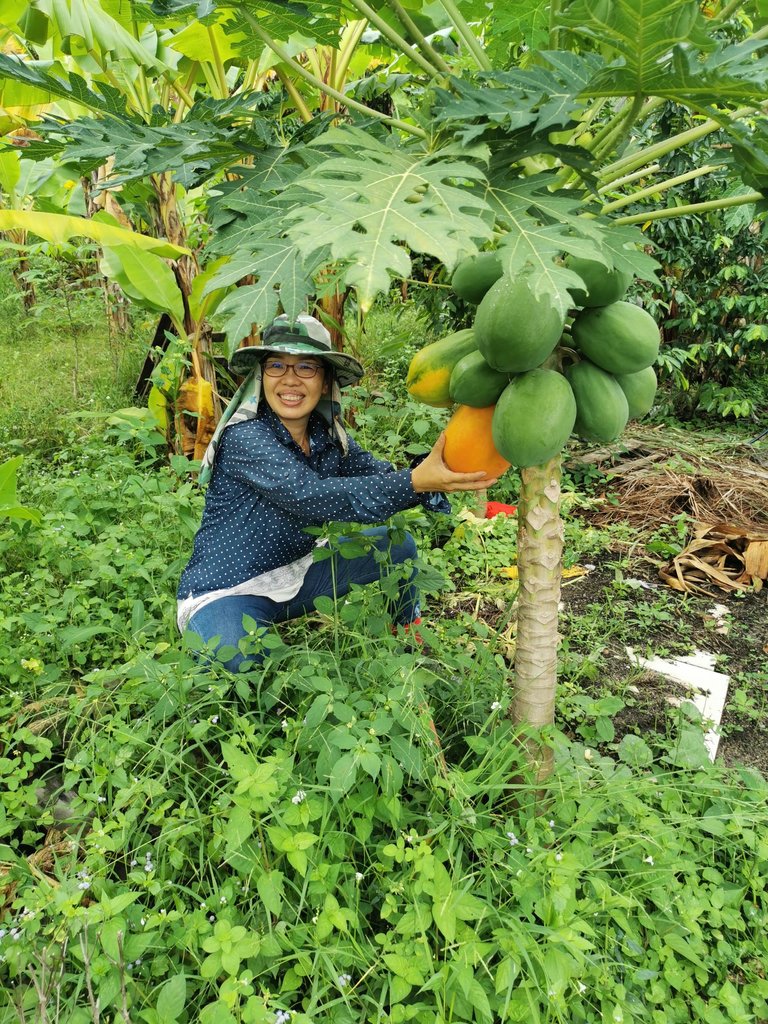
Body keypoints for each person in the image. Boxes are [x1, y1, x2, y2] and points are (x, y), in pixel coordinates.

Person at [177, 313, 495, 671]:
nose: (290, 380)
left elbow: (380, 476)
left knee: (397, 546)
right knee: (238, 663)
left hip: (299, 573)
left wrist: (441, 469)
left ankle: (408, 633)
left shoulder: (327, 437)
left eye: (307, 367)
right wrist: (415, 482)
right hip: (228, 592)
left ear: (326, 380)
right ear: (261, 376)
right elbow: (310, 494)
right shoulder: (246, 438)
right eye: (277, 365)